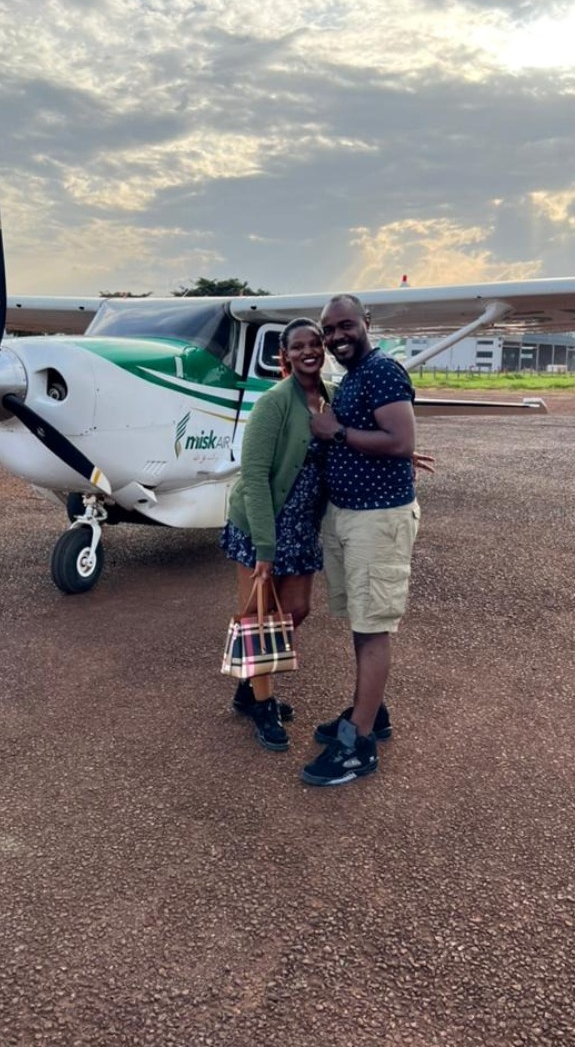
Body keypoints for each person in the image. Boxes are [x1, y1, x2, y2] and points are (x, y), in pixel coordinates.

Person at [303, 293, 432, 786]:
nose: (336, 337)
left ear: (366, 322)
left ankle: (358, 747)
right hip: (351, 516)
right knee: (361, 618)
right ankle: (369, 712)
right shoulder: (355, 377)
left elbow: (400, 441)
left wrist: (335, 433)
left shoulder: (382, 371)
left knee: (373, 625)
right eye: (328, 330)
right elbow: (385, 439)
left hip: (378, 519)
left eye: (344, 326)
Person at [220, 317, 332, 751]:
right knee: (259, 618)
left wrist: (399, 452)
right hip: (262, 522)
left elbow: (351, 441)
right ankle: (263, 706)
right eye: (298, 346)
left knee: (297, 610)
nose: (309, 351)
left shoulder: (329, 398)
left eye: (315, 344)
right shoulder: (273, 403)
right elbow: (255, 474)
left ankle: (250, 688)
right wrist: (264, 547)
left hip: (302, 526)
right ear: (284, 356)